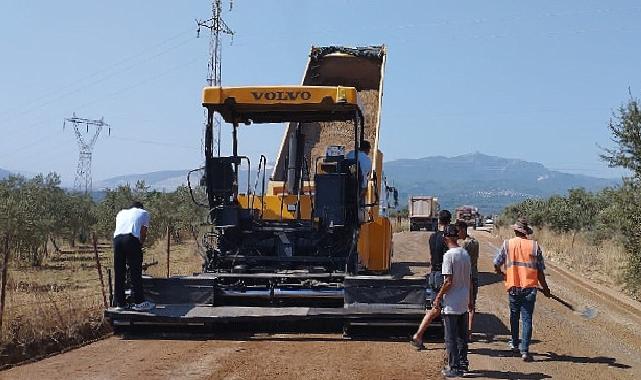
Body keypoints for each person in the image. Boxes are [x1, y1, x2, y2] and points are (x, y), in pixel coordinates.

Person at [493, 217, 551, 361]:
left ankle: (514, 344)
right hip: (530, 288)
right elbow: (540, 272)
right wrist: (546, 289)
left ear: (515, 230)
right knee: (527, 319)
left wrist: (502, 274)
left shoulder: (507, 244)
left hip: (513, 286)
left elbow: (496, 263)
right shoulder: (534, 246)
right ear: (526, 232)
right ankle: (524, 351)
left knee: (514, 316)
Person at [435, 224, 472, 377]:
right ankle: (463, 363)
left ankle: (454, 367)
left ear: (445, 238)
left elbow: (448, 281)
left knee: (450, 337)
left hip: (452, 303)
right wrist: (470, 299)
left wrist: (438, 297)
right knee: (462, 336)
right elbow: (469, 280)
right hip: (463, 300)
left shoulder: (449, 256)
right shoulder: (465, 253)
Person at [410, 209, 452, 349]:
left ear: (438, 221)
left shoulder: (432, 237)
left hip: (433, 274)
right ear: (449, 221)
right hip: (442, 275)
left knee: (435, 308)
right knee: (447, 309)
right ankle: (449, 341)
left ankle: (419, 335)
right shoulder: (447, 239)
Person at [113, 201, 155, 311]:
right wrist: (140, 245)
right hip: (131, 239)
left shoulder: (121, 213)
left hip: (117, 241)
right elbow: (143, 232)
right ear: (140, 207)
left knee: (119, 272)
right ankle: (140, 303)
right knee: (135, 272)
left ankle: (120, 303)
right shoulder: (144, 213)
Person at [457, 220, 479, 341]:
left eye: (458, 230)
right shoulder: (475, 242)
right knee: (471, 305)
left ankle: (464, 331)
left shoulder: (464, 245)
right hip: (474, 275)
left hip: (465, 277)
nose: (457, 233)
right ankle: (470, 332)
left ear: (463, 230)